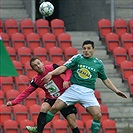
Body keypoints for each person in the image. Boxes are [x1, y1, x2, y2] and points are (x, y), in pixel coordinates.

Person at [43, 40, 128, 133]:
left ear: (93, 50)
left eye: (88, 48)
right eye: (84, 49)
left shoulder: (98, 63)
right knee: (55, 107)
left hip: (88, 92)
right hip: (74, 89)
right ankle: (39, 128)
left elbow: (105, 79)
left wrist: (116, 90)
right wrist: (51, 73)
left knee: (97, 115)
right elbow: (64, 67)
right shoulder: (77, 58)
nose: (86, 50)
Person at [6, 57, 80, 133]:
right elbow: (26, 92)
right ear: (33, 69)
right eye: (35, 65)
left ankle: (37, 128)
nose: (38, 66)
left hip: (65, 97)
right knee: (44, 107)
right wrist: (14, 102)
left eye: (38, 63)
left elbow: (67, 70)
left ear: (42, 63)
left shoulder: (52, 68)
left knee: (72, 123)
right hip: (52, 99)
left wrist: (66, 80)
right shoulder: (37, 80)